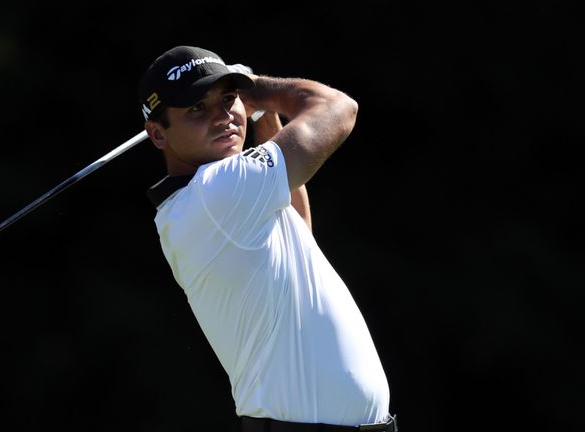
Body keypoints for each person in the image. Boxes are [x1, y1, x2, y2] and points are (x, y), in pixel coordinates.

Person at [140, 45, 397, 432]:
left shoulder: (212, 201)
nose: (222, 116)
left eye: (228, 99)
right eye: (197, 108)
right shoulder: (216, 191)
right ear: (158, 134)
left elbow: (297, 228)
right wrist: (258, 89)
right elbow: (338, 107)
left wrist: (262, 115)